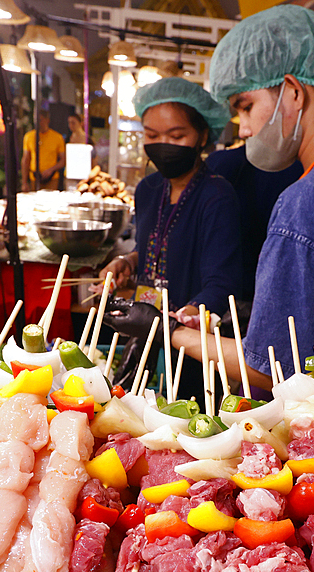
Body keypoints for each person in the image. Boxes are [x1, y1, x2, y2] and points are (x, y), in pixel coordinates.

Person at [105, 5, 314, 392]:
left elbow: (275, 369)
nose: (245, 128)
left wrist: (166, 331)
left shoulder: (308, 200)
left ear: (294, 92)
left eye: (247, 107)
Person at [97, 77, 242, 395]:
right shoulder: (148, 190)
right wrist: (129, 261)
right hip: (143, 331)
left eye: (176, 135)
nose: (163, 144)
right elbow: (154, 244)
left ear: (202, 135)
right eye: (152, 135)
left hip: (193, 346)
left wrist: (176, 322)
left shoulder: (217, 195)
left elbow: (223, 283)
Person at [205, 144, 302, 302]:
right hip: (264, 284)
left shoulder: (222, 163)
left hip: (235, 285)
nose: (243, 129)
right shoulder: (225, 164)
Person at [22, 107, 65, 191]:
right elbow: (26, 159)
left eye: (40, 120)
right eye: (36, 120)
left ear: (47, 120)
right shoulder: (29, 137)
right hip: (34, 177)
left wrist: (51, 170)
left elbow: (63, 160)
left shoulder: (57, 137)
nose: (38, 123)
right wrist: (24, 182)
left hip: (52, 178)